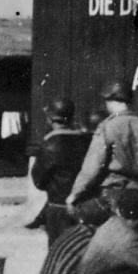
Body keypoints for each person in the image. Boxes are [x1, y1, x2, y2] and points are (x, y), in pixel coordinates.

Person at [65, 80, 138, 225]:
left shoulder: (107, 127)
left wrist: (74, 195)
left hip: (112, 196)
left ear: (112, 100)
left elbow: (92, 167)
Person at [32, 98, 93, 246]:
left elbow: (39, 181)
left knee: (59, 254)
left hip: (58, 209)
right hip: (84, 205)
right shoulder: (86, 139)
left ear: (51, 119)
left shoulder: (49, 144)